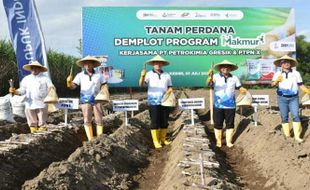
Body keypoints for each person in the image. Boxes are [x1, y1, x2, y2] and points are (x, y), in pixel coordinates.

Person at [207, 60, 247, 148]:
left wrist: (241, 89)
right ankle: (218, 141)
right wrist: (209, 78)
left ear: (230, 68)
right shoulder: (215, 76)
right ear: (220, 69)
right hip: (218, 105)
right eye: (223, 67)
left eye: (227, 67)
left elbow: (239, 86)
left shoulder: (234, 78)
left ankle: (229, 142)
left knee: (230, 124)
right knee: (218, 123)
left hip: (231, 105)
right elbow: (210, 85)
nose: (225, 68)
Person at [66, 55, 108, 141]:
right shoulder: (80, 75)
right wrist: (69, 83)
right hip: (85, 99)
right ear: (84, 65)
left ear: (93, 65)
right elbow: (73, 87)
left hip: (97, 99)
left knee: (99, 119)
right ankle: (90, 139)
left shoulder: (99, 75)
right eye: (86, 64)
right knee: (87, 119)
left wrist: (104, 92)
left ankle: (100, 138)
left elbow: (104, 85)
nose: (88, 65)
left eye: (90, 64)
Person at [9, 61, 56, 133]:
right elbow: (22, 90)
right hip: (29, 102)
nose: (34, 69)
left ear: (40, 69)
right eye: (33, 68)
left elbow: (51, 87)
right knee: (31, 117)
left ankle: (42, 129)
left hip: (41, 102)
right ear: (31, 69)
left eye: (36, 68)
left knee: (42, 117)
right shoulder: (26, 79)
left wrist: (51, 90)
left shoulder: (45, 78)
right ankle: (33, 129)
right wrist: (15, 91)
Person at [272, 55, 310, 142]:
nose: (286, 63)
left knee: (296, 116)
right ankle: (287, 136)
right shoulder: (277, 74)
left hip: (294, 98)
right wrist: (277, 81)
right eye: (284, 62)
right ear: (281, 64)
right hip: (282, 98)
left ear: (291, 64)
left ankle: (297, 137)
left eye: (288, 62)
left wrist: (307, 90)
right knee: (284, 117)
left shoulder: (296, 73)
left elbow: (301, 85)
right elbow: (272, 85)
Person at [139, 55, 173, 149]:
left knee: (164, 121)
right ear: (153, 64)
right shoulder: (148, 74)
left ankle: (163, 139)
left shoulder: (167, 75)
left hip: (165, 101)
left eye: (159, 63)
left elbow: (170, 86)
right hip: (153, 102)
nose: (158, 64)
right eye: (155, 63)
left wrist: (169, 90)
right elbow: (141, 85)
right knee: (155, 121)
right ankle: (156, 141)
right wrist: (142, 76)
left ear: (162, 64)